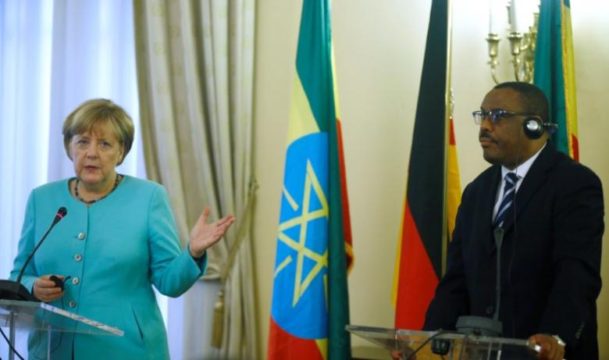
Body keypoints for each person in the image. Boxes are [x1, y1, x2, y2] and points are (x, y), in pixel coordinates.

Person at [8, 99, 235, 359]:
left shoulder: (149, 197)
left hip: (127, 349)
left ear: (121, 151)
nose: (92, 153)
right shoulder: (42, 199)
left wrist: (192, 253)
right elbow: (19, 275)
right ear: (70, 147)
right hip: (52, 349)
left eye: (105, 144)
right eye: (82, 141)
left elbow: (170, 282)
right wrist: (33, 286)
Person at [423, 82, 604, 360]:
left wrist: (555, 336)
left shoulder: (574, 183)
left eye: (497, 116)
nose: (484, 126)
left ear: (533, 125)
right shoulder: (476, 191)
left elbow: (576, 273)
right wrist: (428, 337)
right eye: (481, 115)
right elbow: (457, 278)